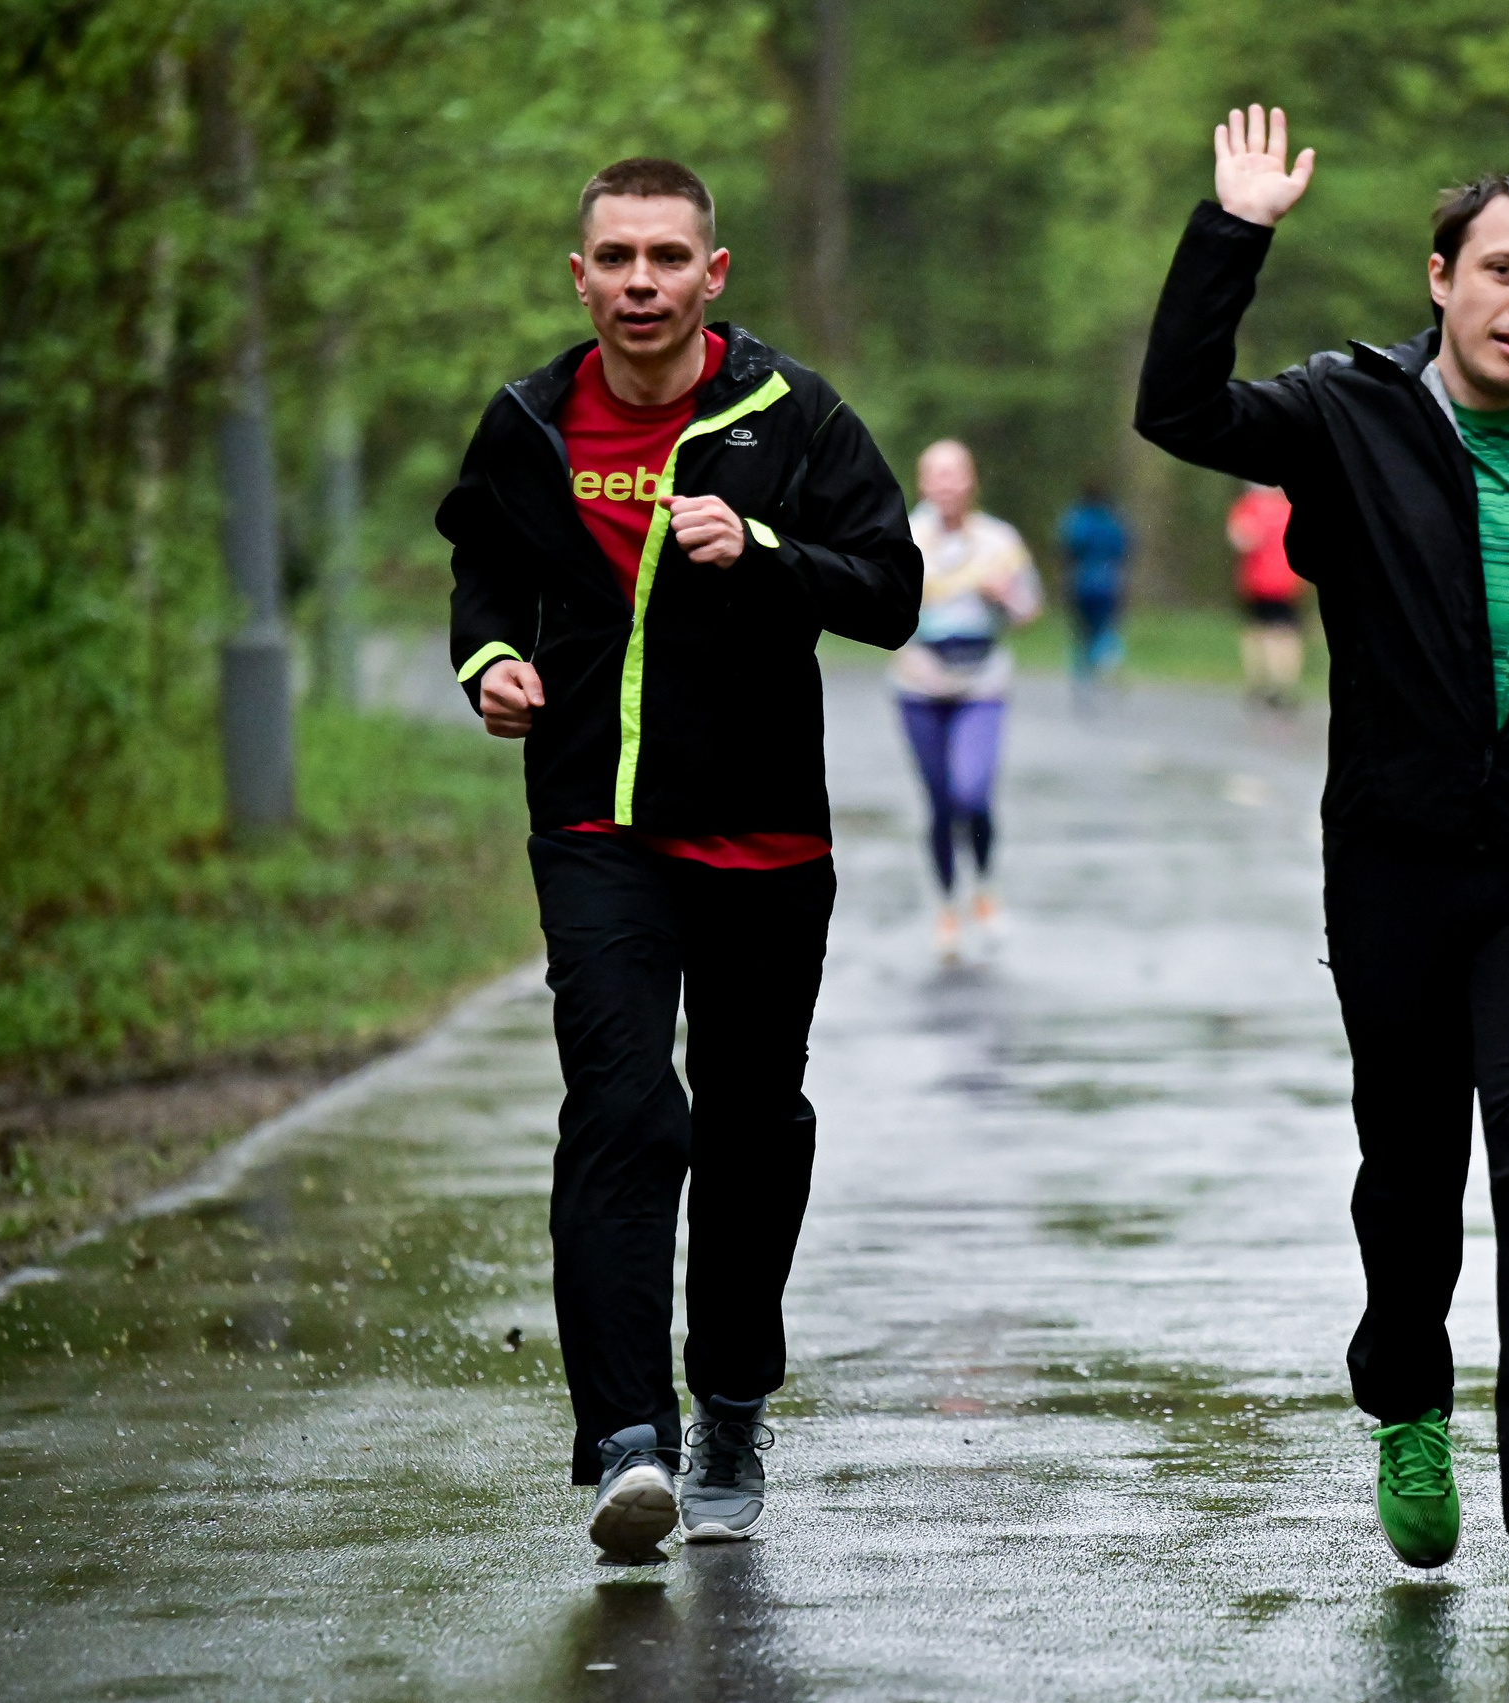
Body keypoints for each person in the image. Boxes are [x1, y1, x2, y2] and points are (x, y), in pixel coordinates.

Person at [1137, 108, 1509, 1616]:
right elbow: (1179, 408)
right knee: (1410, 1169)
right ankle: (1406, 1399)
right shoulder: (1348, 412)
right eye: (1503, 272)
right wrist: (1234, 233)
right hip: (1394, 860)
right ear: (1442, 277)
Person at [439, 157, 921, 1560]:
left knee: (751, 1122)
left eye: (665, 257)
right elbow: (483, 565)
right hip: (596, 823)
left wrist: (763, 547)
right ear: (578, 275)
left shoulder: (791, 414)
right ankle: (626, 1441)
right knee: (623, 1105)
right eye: (615, 257)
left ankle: (731, 1402)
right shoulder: (530, 420)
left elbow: (891, 592)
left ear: (713, 275)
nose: (639, 281)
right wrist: (489, 656)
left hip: (765, 832)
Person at [892, 439, 1043, 958]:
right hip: (920, 685)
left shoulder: (999, 540)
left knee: (971, 794)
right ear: (922, 482)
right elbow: (877, 608)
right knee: (939, 802)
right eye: (936, 474)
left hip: (982, 684)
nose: (947, 484)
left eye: (955, 473)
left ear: (972, 480)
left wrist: (1006, 595)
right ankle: (946, 907)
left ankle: (984, 889)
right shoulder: (903, 538)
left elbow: (1030, 609)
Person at [1230, 482, 1302, 706]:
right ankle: (1285, 683)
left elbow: (1240, 539)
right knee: (1286, 632)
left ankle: (1264, 683)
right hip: (1288, 581)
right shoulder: (1288, 506)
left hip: (1260, 581)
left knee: (1260, 632)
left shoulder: (1250, 506)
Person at [1058, 485, 1130, 691]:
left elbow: (1067, 548)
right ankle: (1109, 660)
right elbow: (1124, 549)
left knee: (1082, 632)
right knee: (1106, 626)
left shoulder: (1078, 519)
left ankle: (1084, 677)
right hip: (1109, 582)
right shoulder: (1113, 520)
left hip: (1082, 581)